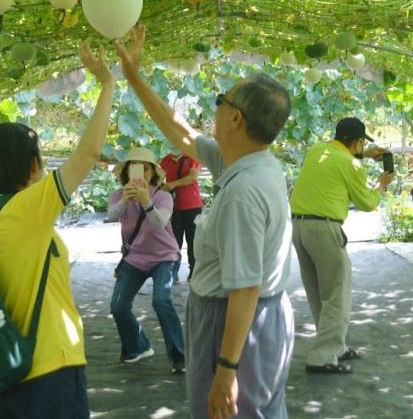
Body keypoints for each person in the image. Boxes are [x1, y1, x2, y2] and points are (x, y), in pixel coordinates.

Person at [116, 25, 294, 419]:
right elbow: (177, 130)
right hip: (257, 319)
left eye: (220, 100)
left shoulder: (244, 190)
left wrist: (227, 370)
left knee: (226, 411)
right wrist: (134, 77)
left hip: (232, 323)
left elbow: (245, 288)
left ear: (234, 118)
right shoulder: (248, 161)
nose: (213, 108)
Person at [0, 42, 114, 418]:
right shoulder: (25, 210)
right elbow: (87, 154)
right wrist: (107, 85)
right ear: (34, 166)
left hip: (11, 367)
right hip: (48, 368)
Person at [289, 117, 395, 374]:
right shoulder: (350, 164)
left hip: (298, 227)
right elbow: (368, 203)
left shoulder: (318, 150)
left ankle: (333, 347)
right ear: (357, 142)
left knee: (317, 293)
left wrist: (365, 154)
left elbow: (338, 162)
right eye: (362, 144)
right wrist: (381, 184)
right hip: (324, 230)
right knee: (337, 293)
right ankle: (322, 356)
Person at [107, 146, 186, 373]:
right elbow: (111, 216)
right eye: (134, 168)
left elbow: (160, 222)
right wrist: (125, 199)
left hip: (165, 256)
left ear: (152, 173)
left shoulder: (162, 196)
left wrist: (145, 201)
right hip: (134, 258)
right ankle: (138, 347)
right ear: (127, 173)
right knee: (118, 306)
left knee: (161, 300)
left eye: (145, 169)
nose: (140, 173)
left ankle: (179, 355)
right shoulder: (118, 195)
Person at [159, 150, 203, 280]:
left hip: (193, 206)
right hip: (173, 206)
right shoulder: (165, 160)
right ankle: (173, 271)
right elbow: (158, 178)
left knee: (193, 240)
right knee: (174, 241)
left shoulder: (192, 157)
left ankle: (194, 272)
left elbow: (192, 177)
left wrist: (173, 184)